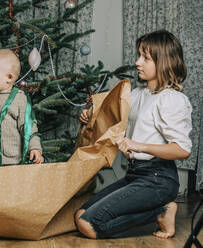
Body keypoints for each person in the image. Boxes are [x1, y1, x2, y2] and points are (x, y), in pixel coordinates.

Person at [74, 29, 192, 239]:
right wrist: (89, 116)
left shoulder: (171, 99)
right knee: (80, 214)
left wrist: (139, 145)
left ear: (163, 61)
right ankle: (159, 212)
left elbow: (182, 150)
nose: (138, 62)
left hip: (159, 178)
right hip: (135, 174)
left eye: (146, 58)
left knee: (87, 223)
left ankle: (161, 212)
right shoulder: (136, 95)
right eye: (139, 55)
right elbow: (107, 120)